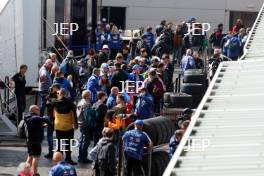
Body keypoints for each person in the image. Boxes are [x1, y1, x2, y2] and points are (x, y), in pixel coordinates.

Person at [53, 88, 78, 165]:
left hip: (58, 126)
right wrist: (75, 125)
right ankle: (68, 158)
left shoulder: (55, 102)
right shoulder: (70, 103)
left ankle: (59, 159)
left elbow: (51, 112)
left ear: (59, 94)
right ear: (66, 94)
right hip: (68, 126)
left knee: (59, 143)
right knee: (68, 143)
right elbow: (74, 115)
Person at [24, 105, 49, 176]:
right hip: (35, 141)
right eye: (37, 109)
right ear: (33, 110)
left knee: (30, 156)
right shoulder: (35, 117)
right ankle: (35, 173)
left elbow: (33, 127)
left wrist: (43, 126)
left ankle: (25, 173)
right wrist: (49, 122)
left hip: (29, 140)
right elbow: (46, 119)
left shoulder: (27, 117)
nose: (39, 110)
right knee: (36, 157)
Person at [45, 83, 61, 159]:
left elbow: (48, 104)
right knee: (58, 136)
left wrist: (49, 97)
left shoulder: (51, 96)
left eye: (53, 88)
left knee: (49, 135)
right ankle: (59, 152)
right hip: (59, 118)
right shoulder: (62, 96)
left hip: (51, 117)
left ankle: (51, 152)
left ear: (56, 88)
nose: (51, 89)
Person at [76, 90, 93, 163]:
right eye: (90, 95)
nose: (91, 96)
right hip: (85, 124)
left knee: (82, 140)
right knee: (86, 141)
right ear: (87, 96)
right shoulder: (86, 104)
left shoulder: (80, 102)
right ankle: (83, 157)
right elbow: (87, 116)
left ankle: (81, 156)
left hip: (81, 123)